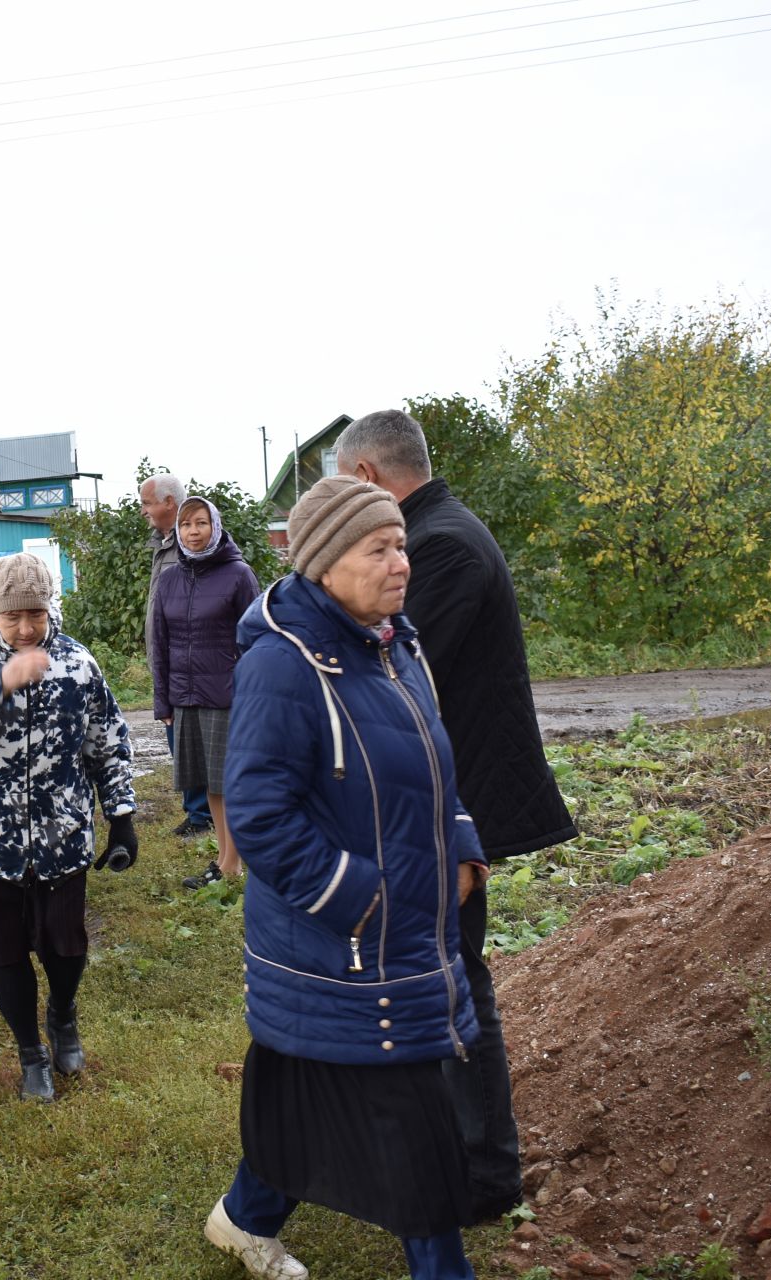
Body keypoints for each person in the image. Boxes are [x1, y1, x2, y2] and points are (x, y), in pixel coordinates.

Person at [204, 476, 489, 1280]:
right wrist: (361, 898)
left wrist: (462, 842)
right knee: (418, 1139)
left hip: (400, 932)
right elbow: (259, 815)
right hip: (348, 943)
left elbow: (432, 765)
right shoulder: (283, 668)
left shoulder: (397, 643)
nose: (402, 562)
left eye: (401, 543)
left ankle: (245, 1217)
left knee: (304, 1092)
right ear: (328, 562)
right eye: (380, 548)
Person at [336, 408, 576, 1221]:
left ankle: (482, 1172)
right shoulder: (439, 531)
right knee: (438, 975)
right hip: (445, 802)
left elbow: (386, 660)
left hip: (453, 808)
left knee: (451, 984)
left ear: (367, 478)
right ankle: (454, 1153)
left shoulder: (438, 546)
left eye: (342, 488)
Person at [0, 554, 137, 1101]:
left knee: (65, 944)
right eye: (13, 617)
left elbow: (107, 742)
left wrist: (121, 817)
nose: (26, 629)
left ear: (51, 609)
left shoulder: (77, 661)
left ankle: (63, 1016)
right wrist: (1, 681)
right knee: (6, 949)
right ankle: (30, 1053)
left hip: (61, 830)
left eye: (36, 615)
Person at [150, 495, 260, 891]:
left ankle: (232, 862)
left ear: (215, 525)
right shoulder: (170, 579)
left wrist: (253, 694)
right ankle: (225, 860)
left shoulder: (238, 574)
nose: (192, 532)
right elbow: (159, 642)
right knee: (208, 781)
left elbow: (256, 639)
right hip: (185, 695)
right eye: (184, 525)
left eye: (200, 523)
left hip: (227, 694)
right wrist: (163, 699)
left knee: (229, 781)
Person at [141, 472, 213, 839]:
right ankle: (197, 811)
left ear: (169, 502)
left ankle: (203, 815)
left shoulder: (193, 544)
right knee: (177, 734)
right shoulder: (164, 543)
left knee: (196, 738)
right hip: (167, 658)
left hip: (192, 660)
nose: (143, 511)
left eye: (147, 502)